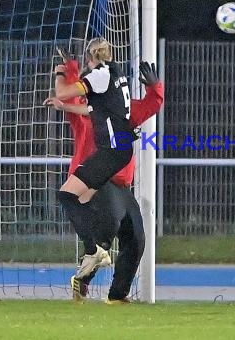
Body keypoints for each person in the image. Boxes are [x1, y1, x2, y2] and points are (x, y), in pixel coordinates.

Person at [45, 57, 164, 303]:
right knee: (105, 233)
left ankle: (117, 296)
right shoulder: (87, 114)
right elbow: (71, 98)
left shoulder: (123, 110)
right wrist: (68, 72)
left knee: (137, 240)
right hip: (100, 183)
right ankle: (83, 278)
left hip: (123, 185)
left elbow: (151, 105)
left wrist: (155, 87)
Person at [53, 37, 138, 279]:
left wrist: (61, 73)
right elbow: (91, 110)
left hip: (112, 153)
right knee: (80, 199)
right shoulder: (116, 73)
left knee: (65, 195)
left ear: (91, 59)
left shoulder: (98, 76)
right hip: (117, 152)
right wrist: (64, 107)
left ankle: (94, 250)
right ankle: (95, 250)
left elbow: (64, 90)